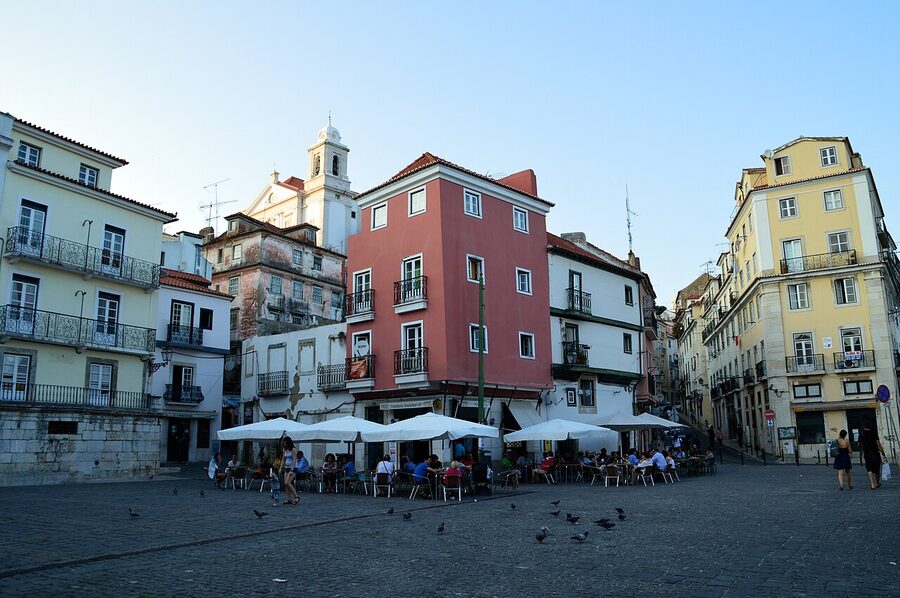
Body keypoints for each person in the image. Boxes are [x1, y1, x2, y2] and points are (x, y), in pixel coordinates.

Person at [859, 422, 886, 490]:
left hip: (867, 453)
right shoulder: (874, 433)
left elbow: (859, 444)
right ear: (870, 427)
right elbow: (878, 444)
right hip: (875, 453)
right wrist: (882, 452)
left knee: (869, 468)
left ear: (864, 426)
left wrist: (862, 451)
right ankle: (877, 483)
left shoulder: (861, 434)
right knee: (877, 468)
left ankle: (872, 484)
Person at [280, 437, 299, 505]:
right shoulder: (284, 449)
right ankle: (289, 499)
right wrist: (280, 468)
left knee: (287, 483)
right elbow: (283, 459)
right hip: (286, 467)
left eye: (286, 443)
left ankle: (296, 496)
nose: (285, 444)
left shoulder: (293, 449)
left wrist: (292, 469)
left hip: (293, 468)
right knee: (285, 484)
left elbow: (294, 459)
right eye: (284, 443)